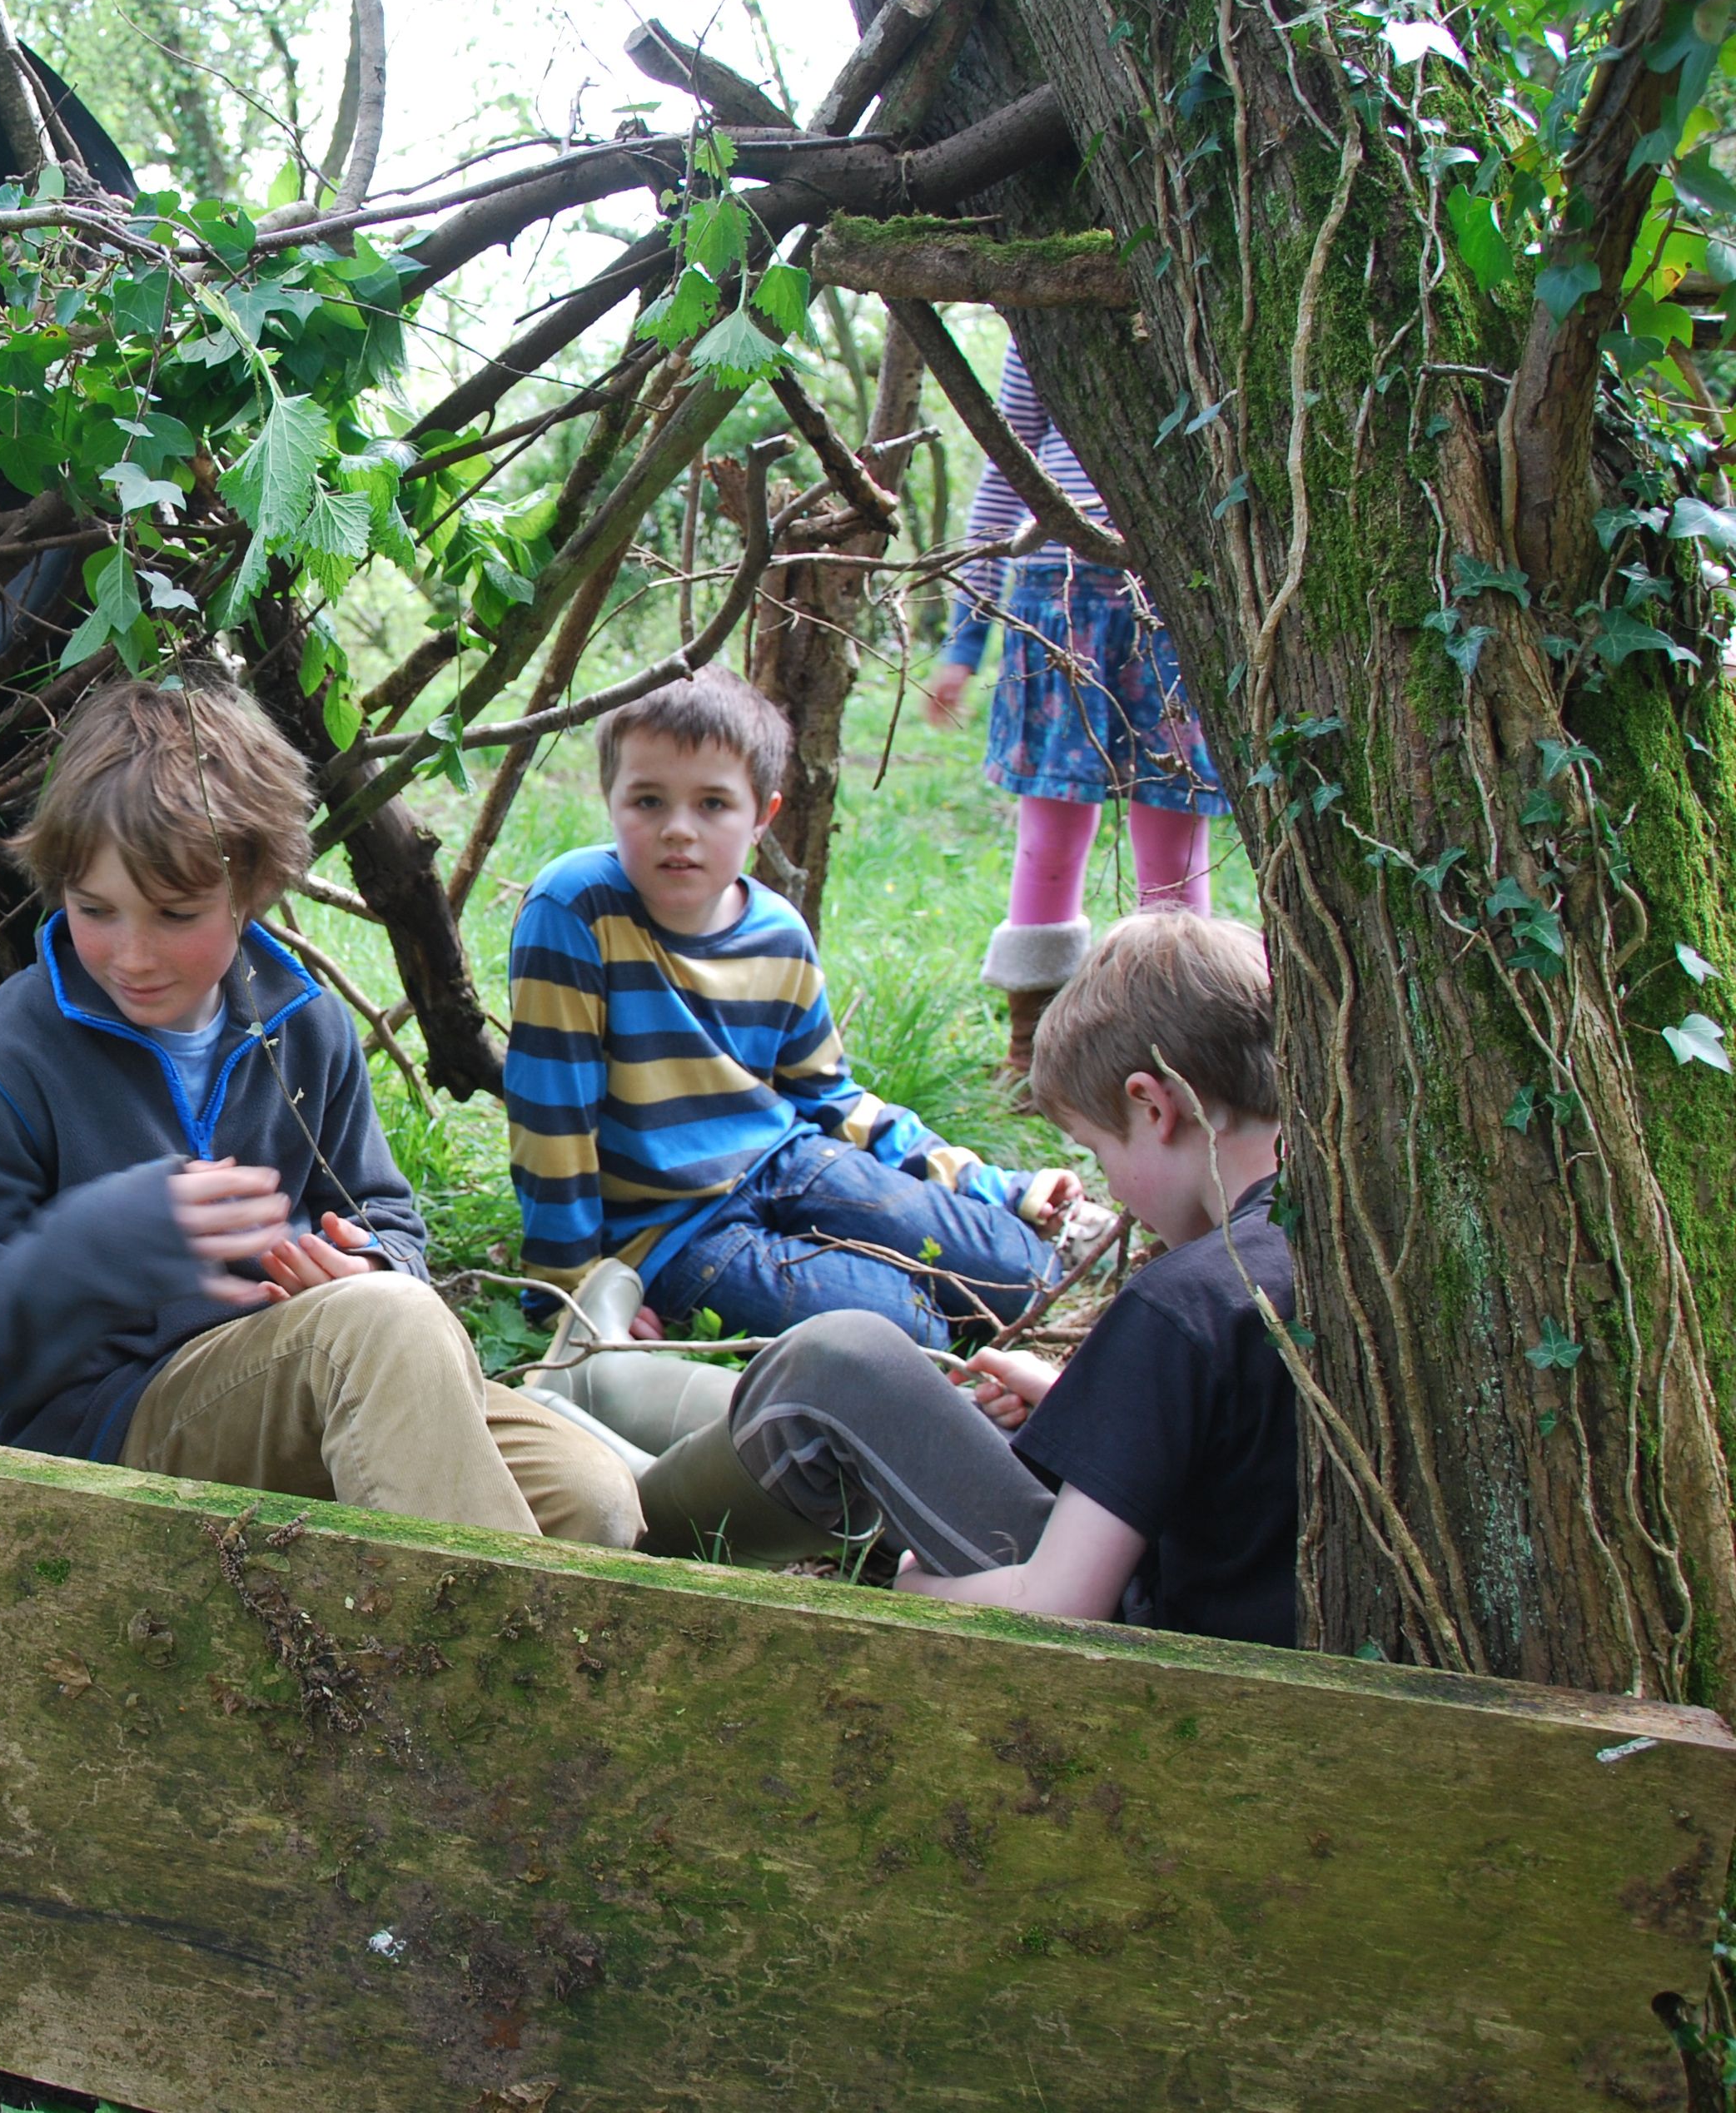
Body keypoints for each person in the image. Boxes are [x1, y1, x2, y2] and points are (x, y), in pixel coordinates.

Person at [0, 678, 641, 1548]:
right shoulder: (3, 1060)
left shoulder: (303, 1025)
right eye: (94, 910)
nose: (131, 954)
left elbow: (382, 1214)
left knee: (590, 1498)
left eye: (175, 915)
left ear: (250, 891)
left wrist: (368, 1263)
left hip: (314, 1370)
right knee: (383, 1328)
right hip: (118, 1423)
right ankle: (459, 1665)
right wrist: (97, 1243)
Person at [625, 912, 1302, 1649]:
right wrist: (1094, 1408)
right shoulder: (1326, 1247)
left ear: (1153, 1105)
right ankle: (601, 1435)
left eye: (1098, 1149)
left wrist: (918, 1590)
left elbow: (1058, 1607)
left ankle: (608, 1523)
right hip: (1205, 1609)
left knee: (838, 1367)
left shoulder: (1183, 1302)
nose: (1109, 1183)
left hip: (1145, 1654)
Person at [506, 670, 1077, 1350]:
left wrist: (994, 1187)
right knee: (909, 1331)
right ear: (611, 800)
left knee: (1024, 1273)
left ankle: (909, 1270)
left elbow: (831, 1098)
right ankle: (889, 1302)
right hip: (669, 1227)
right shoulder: (575, 909)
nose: (678, 830)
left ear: (763, 817)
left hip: (788, 1162)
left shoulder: (777, 930)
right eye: (648, 801)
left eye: (714, 804)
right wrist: (570, 1283)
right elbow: (552, 1113)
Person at [931, 341, 1230, 1084]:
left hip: (1174, 596)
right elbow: (1007, 469)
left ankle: (1179, 1041)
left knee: (1172, 836)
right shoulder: (1035, 320)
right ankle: (1036, 1050)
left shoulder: (1194, 294)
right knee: (1053, 833)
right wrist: (965, 636)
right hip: (1054, 597)